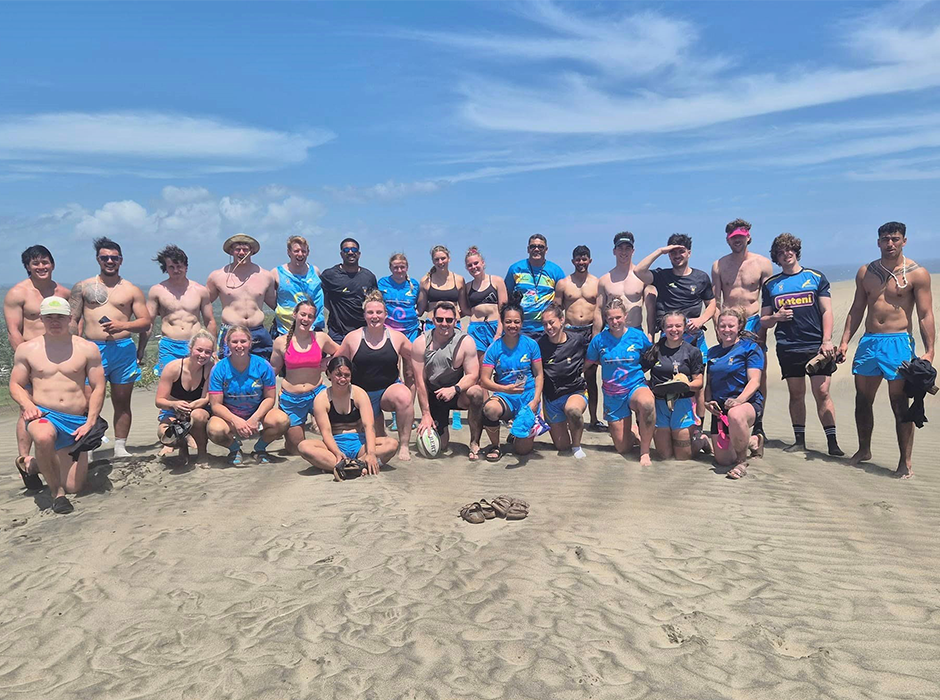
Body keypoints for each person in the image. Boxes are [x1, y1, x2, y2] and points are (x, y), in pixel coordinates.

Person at [837, 221, 935, 479]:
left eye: (895, 239)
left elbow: (925, 314)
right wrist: (845, 341)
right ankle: (864, 449)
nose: (889, 244)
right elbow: (857, 309)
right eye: (885, 239)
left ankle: (905, 461)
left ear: (904, 241)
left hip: (898, 343)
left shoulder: (917, 273)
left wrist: (930, 351)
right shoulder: (866, 272)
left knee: (899, 403)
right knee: (862, 400)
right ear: (878, 242)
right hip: (869, 342)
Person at [9, 296, 106, 514]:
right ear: (41, 318)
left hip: (76, 419)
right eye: (49, 317)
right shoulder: (27, 349)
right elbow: (15, 384)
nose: (55, 322)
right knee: (43, 437)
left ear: (70, 318)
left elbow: (99, 386)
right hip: (45, 413)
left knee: (75, 486)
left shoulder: (87, 348)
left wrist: (91, 421)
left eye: (60, 317)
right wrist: (27, 404)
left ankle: (30, 465)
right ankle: (57, 494)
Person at [69, 237, 151, 458]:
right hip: (92, 349)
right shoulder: (83, 287)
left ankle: (120, 447)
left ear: (121, 260)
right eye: (105, 257)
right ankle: (87, 447)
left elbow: (145, 322)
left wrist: (123, 325)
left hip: (122, 349)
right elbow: (72, 319)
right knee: (85, 402)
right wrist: (73, 345)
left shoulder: (131, 289)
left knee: (122, 401)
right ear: (98, 259)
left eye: (114, 258)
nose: (109, 261)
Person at [761, 233, 842, 456]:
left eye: (789, 250)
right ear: (776, 257)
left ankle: (832, 443)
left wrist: (827, 340)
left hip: (816, 346)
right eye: (780, 252)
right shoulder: (771, 285)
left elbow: (827, 310)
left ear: (796, 251)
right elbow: (763, 320)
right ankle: (799, 440)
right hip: (788, 347)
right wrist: (776, 317)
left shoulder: (815, 277)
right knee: (796, 394)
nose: (785, 254)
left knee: (822, 392)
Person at [4, 245, 71, 483]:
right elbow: (13, 331)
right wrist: (27, 361)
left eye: (45, 262)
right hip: (30, 360)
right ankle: (25, 459)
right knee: (28, 409)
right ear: (28, 267)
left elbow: (71, 326)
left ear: (52, 264)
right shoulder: (17, 294)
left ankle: (55, 454)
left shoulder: (62, 292)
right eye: (36, 263)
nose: (41, 267)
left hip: (60, 360)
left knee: (58, 406)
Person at [635, 234, 716, 425]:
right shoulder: (662, 275)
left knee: (698, 383)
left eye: (681, 251)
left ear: (689, 252)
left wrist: (702, 318)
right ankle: (669, 420)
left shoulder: (701, 277)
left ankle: (698, 426)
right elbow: (639, 271)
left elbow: (712, 303)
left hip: (694, 337)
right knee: (669, 378)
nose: (677, 255)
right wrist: (660, 251)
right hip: (669, 335)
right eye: (673, 252)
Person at [711, 219, 773, 435]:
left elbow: (768, 299)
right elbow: (716, 301)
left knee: (758, 373)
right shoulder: (719, 265)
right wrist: (720, 328)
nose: (737, 240)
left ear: (748, 236)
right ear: (728, 239)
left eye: (740, 236)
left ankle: (758, 424)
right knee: (727, 370)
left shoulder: (763, 263)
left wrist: (763, 329)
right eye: (732, 237)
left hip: (754, 322)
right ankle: (724, 419)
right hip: (727, 324)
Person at [337, 290, 415, 461]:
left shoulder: (397, 337)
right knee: (375, 439)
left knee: (403, 396)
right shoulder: (353, 338)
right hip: (361, 395)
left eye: (379, 312)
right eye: (370, 312)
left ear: (386, 315)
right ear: (364, 315)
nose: (375, 316)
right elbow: (337, 363)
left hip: (387, 391)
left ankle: (403, 445)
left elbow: (416, 357)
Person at [297, 356, 399, 479]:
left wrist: (371, 453)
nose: (342, 379)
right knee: (304, 446)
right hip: (334, 444)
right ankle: (358, 467)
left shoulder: (359, 394)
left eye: (347, 375)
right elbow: (326, 432)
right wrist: (337, 452)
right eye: (338, 374)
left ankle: (345, 467)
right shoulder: (322, 399)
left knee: (392, 444)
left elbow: (369, 427)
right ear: (329, 374)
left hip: (360, 443)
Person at [411, 301, 486, 458]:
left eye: (449, 320)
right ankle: (438, 426)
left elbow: (473, 375)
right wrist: (425, 414)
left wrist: (454, 389)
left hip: (456, 393)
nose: (444, 324)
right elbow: (419, 382)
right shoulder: (420, 343)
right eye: (439, 320)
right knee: (440, 447)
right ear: (433, 320)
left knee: (477, 393)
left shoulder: (465, 342)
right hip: (434, 395)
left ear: (455, 321)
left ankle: (474, 441)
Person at [586, 298, 655, 465]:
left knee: (646, 403)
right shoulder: (599, 340)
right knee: (623, 449)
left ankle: (645, 451)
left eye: (618, 317)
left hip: (635, 386)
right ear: (605, 319)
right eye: (610, 319)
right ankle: (631, 431)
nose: (614, 321)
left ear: (625, 316)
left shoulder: (637, 336)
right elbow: (588, 363)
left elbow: (651, 356)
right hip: (613, 394)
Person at [206, 325, 288, 464]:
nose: (239, 345)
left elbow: (269, 398)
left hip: (257, 416)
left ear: (250, 342)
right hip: (230, 418)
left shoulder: (263, 365)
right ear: (227, 343)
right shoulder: (219, 369)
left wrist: (255, 418)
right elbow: (216, 405)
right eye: (234, 342)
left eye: (243, 341)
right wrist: (235, 421)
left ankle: (260, 448)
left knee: (282, 420)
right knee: (214, 430)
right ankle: (235, 449)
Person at [268, 300, 340, 454]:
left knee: (333, 436)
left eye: (310, 316)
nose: (306, 319)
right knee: (296, 449)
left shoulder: (321, 338)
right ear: (295, 315)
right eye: (303, 314)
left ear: (314, 319)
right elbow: (272, 371)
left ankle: (319, 432)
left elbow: (341, 352)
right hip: (292, 398)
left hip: (317, 394)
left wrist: (328, 361)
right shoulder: (280, 342)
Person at [480, 297, 544, 460]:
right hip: (505, 396)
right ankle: (495, 446)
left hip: (527, 397)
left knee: (522, 451)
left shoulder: (531, 345)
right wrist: (504, 389)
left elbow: (539, 374)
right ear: (502, 322)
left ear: (522, 323)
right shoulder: (494, 348)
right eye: (508, 322)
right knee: (490, 409)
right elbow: (484, 380)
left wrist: (536, 400)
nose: (512, 326)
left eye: (516, 322)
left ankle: (517, 433)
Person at [705, 307, 765, 479]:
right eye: (722, 326)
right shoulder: (713, 352)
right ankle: (753, 441)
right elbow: (709, 383)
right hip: (720, 409)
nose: (726, 330)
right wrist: (708, 402)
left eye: (731, 326)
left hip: (747, 404)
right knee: (723, 460)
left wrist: (739, 400)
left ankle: (741, 462)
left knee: (735, 415)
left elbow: (755, 380)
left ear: (739, 326)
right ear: (717, 328)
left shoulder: (750, 348)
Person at [140, 245, 217, 377]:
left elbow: (209, 321)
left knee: (196, 381)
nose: (176, 270)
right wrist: (141, 349)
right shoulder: (157, 290)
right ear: (166, 268)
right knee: (169, 383)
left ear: (186, 267)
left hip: (195, 344)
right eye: (171, 267)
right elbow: (149, 323)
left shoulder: (200, 290)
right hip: (169, 345)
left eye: (179, 266)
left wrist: (214, 349)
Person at [646, 312, 709, 460]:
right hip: (660, 403)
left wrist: (683, 385)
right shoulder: (655, 350)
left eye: (678, 325)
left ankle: (701, 442)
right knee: (665, 456)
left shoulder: (693, 351)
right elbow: (638, 371)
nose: (674, 329)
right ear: (663, 328)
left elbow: (699, 382)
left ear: (685, 327)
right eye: (669, 326)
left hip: (683, 403)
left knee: (682, 457)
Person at [206, 234, 277, 360]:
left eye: (245, 249)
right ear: (231, 252)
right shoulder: (217, 276)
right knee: (229, 374)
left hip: (258, 332)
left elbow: (276, 305)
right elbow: (203, 303)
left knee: (261, 371)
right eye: (238, 249)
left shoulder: (265, 276)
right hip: (231, 332)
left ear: (252, 251)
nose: (241, 252)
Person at [556, 245, 602, 434]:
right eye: (578, 259)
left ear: (590, 261)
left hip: (589, 332)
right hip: (570, 332)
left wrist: (596, 337)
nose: (581, 262)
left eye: (584, 259)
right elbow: (557, 311)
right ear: (573, 261)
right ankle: (568, 415)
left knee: (591, 376)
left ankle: (593, 419)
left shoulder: (597, 283)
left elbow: (599, 311)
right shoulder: (564, 283)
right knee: (569, 374)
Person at [154, 329, 216, 465]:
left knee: (198, 416)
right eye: (199, 350)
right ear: (190, 348)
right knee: (163, 431)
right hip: (173, 409)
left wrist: (190, 407)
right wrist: (174, 405)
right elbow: (159, 401)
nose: (203, 355)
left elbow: (206, 398)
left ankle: (202, 453)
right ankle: (182, 447)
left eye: (207, 352)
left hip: (198, 408)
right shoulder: (172, 368)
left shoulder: (210, 368)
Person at [538, 305, 588, 459]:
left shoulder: (578, 340)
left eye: (551, 322)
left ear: (561, 320)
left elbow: (594, 358)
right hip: (552, 399)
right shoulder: (539, 345)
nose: (548, 327)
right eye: (545, 324)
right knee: (561, 446)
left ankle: (577, 445)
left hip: (575, 391)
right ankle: (567, 433)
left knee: (573, 410)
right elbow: (536, 376)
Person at [504, 234, 565, 342]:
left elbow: (563, 299)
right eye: (533, 246)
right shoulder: (515, 269)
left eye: (540, 247)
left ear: (546, 250)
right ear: (528, 249)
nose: (536, 249)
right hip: (520, 328)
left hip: (546, 329)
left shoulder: (556, 271)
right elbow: (505, 296)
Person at [320, 237, 378, 344]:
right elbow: (322, 298)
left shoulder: (369, 277)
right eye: (346, 250)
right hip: (337, 332)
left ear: (359, 254)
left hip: (362, 332)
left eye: (354, 250)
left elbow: (374, 302)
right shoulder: (330, 275)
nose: (350, 252)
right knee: (338, 361)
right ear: (341, 254)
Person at [273, 235, 325, 336]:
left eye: (303, 251)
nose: (300, 254)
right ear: (289, 252)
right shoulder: (276, 273)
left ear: (308, 252)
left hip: (314, 329)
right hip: (286, 331)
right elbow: (270, 299)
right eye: (296, 251)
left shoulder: (316, 271)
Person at [463, 246, 507, 357]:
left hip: (495, 325)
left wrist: (499, 332)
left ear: (483, 263)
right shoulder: (467, 287)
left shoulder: (497, 281)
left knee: (499, 361)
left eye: (476, 263)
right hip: (476, 329)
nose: (474, 267)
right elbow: (464, 309)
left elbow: (504, 309)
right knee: (481, 365)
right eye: (470, 265)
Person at [417, 245, 466, 327]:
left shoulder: (459, 280)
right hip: (432, 325)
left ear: (449, 258)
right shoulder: (425, 280)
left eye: (443, 258)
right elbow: (420, 310)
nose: (440, 262)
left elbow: (464, 308)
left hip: (453, 325)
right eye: (437, 259)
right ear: (433, 261)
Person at [378, 253, 421, 341]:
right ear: (390, 268)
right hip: (388, 329)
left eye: (402, 267)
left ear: (407, 268)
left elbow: (421, 306)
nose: (399, 270)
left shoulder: (415, 284)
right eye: (395, 268)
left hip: (410, 330)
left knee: (410, 354)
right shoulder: (382, 283)